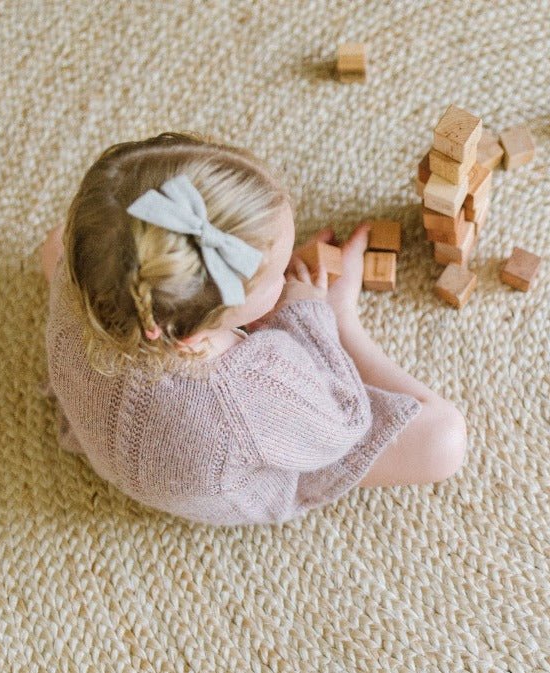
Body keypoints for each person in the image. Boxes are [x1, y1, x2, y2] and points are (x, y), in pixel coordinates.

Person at [38, 132, 467, 526]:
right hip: (226, 472)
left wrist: (261, 290)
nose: (286, 276)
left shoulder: (79, 269)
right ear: (192, 334)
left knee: (56, 240)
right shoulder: (252, 384)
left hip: (107, 426)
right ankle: (344, 319)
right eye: (277, 274)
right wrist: (312, 313)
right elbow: (344, 419)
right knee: (444, 438)